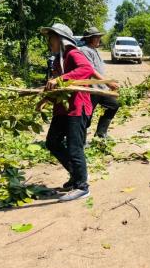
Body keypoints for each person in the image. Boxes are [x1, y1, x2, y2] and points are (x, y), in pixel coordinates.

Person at [36, 23, 95, 202]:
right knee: (52, 142)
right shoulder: (57, 60)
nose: (49, 42)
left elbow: (86, 70)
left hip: (77, 108)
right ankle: (76, 174)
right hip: (62, 109)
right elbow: (58, 88)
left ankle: (82, 186)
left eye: (51, 38)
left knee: (74, 147)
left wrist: (61, 78)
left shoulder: (73, 54)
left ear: (61, 39)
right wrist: (45, 100)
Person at [79, 27, 120, 139]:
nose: (99, 39)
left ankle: (101, 133)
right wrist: (107, 83)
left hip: (100, 89)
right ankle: (80, 141)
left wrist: (107, 82)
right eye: (97, 37)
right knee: (86, 116)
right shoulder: (85, 50)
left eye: (99, 37)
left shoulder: (94, 50)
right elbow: (90, 70)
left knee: (113, 105)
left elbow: (98, 69)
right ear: (89, 39)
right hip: (91, 89)